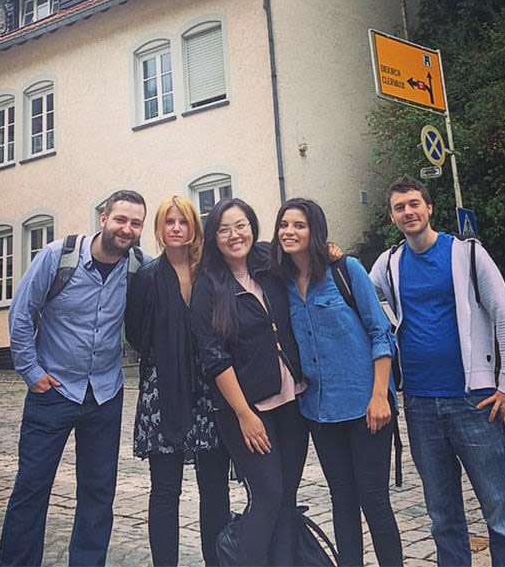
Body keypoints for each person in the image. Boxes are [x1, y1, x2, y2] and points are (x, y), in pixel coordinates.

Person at [369, 176, 505, 567]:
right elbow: (362, 300)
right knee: (442, 517)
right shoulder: (388, 264)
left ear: (429, 208)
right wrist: (336, 261)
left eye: (413, 204)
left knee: (499, 512)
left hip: (473, 400)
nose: (408, 212)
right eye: (399, 207)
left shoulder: (467, 254)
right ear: (392, 217)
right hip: (420, 404)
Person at [0, 190, 147, 567]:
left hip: (105, 395)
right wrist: (32, 373)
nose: (127, 229)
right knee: (31, 488)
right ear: (103, 218)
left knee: (98, 494)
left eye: (135, 223)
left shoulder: (139, 267)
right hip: (54, 392)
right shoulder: (57, 257)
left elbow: (184, 272)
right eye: (121, 220)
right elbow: (21, 313)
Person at [270, 198, 403, 567]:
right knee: (341, 500)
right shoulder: (280, 282)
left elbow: (381, 334)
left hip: (365, 406)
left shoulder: (346, 270)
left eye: (299, 225)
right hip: (319, 411)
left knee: (374, 500)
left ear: (315, 230)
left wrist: (381, 397)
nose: (289, 232)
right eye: (284, 225)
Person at [190, 197, 309, 567]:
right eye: (224, 229)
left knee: (287, 496)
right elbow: (213, 356)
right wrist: (244, 414)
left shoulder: (268, 264)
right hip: (246, 410)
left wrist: (333, 252)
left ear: (253, 227)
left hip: (292, 401)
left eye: (240, 225)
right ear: (214, 237)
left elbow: (309, 255)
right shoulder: (208, 286)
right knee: (268, 495)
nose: (234, 234)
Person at [125, 195, 231, 567]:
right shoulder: (147, 277)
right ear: (159, 229)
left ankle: (216, 561)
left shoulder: (211, 273)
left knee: (215, 490)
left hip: (210, 388)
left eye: (183, 222)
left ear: (193, 229)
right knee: (165, 490)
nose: (175, 228)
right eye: (169, 222)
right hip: (163, 391)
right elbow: (136, 332)